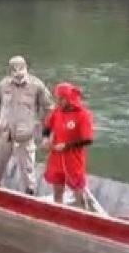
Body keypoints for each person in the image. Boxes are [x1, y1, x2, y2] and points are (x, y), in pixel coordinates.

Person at [0, 56, 54, 195]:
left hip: (25, 136)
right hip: (4, 134)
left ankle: (29, 197)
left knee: (28, 174)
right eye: (15, 71)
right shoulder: (3, 85)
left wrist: (44, 131)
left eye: (21, 70)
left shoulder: (37, 86)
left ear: (26, 69)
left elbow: (49, 109)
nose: (18, 74)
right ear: (10, 71)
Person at [41, 82, 95, 210]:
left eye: (61, 99)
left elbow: (87, 139)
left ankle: (84, 214)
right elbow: (47, 127)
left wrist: (67, 146)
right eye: (57, 98)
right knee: (57, 189)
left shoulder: (83, 115)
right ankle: (58, 212)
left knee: (78, 190)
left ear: (69, 99)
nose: (58, 101)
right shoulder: (57, 112)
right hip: (57, 158)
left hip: (73, 159)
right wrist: (45, 138)